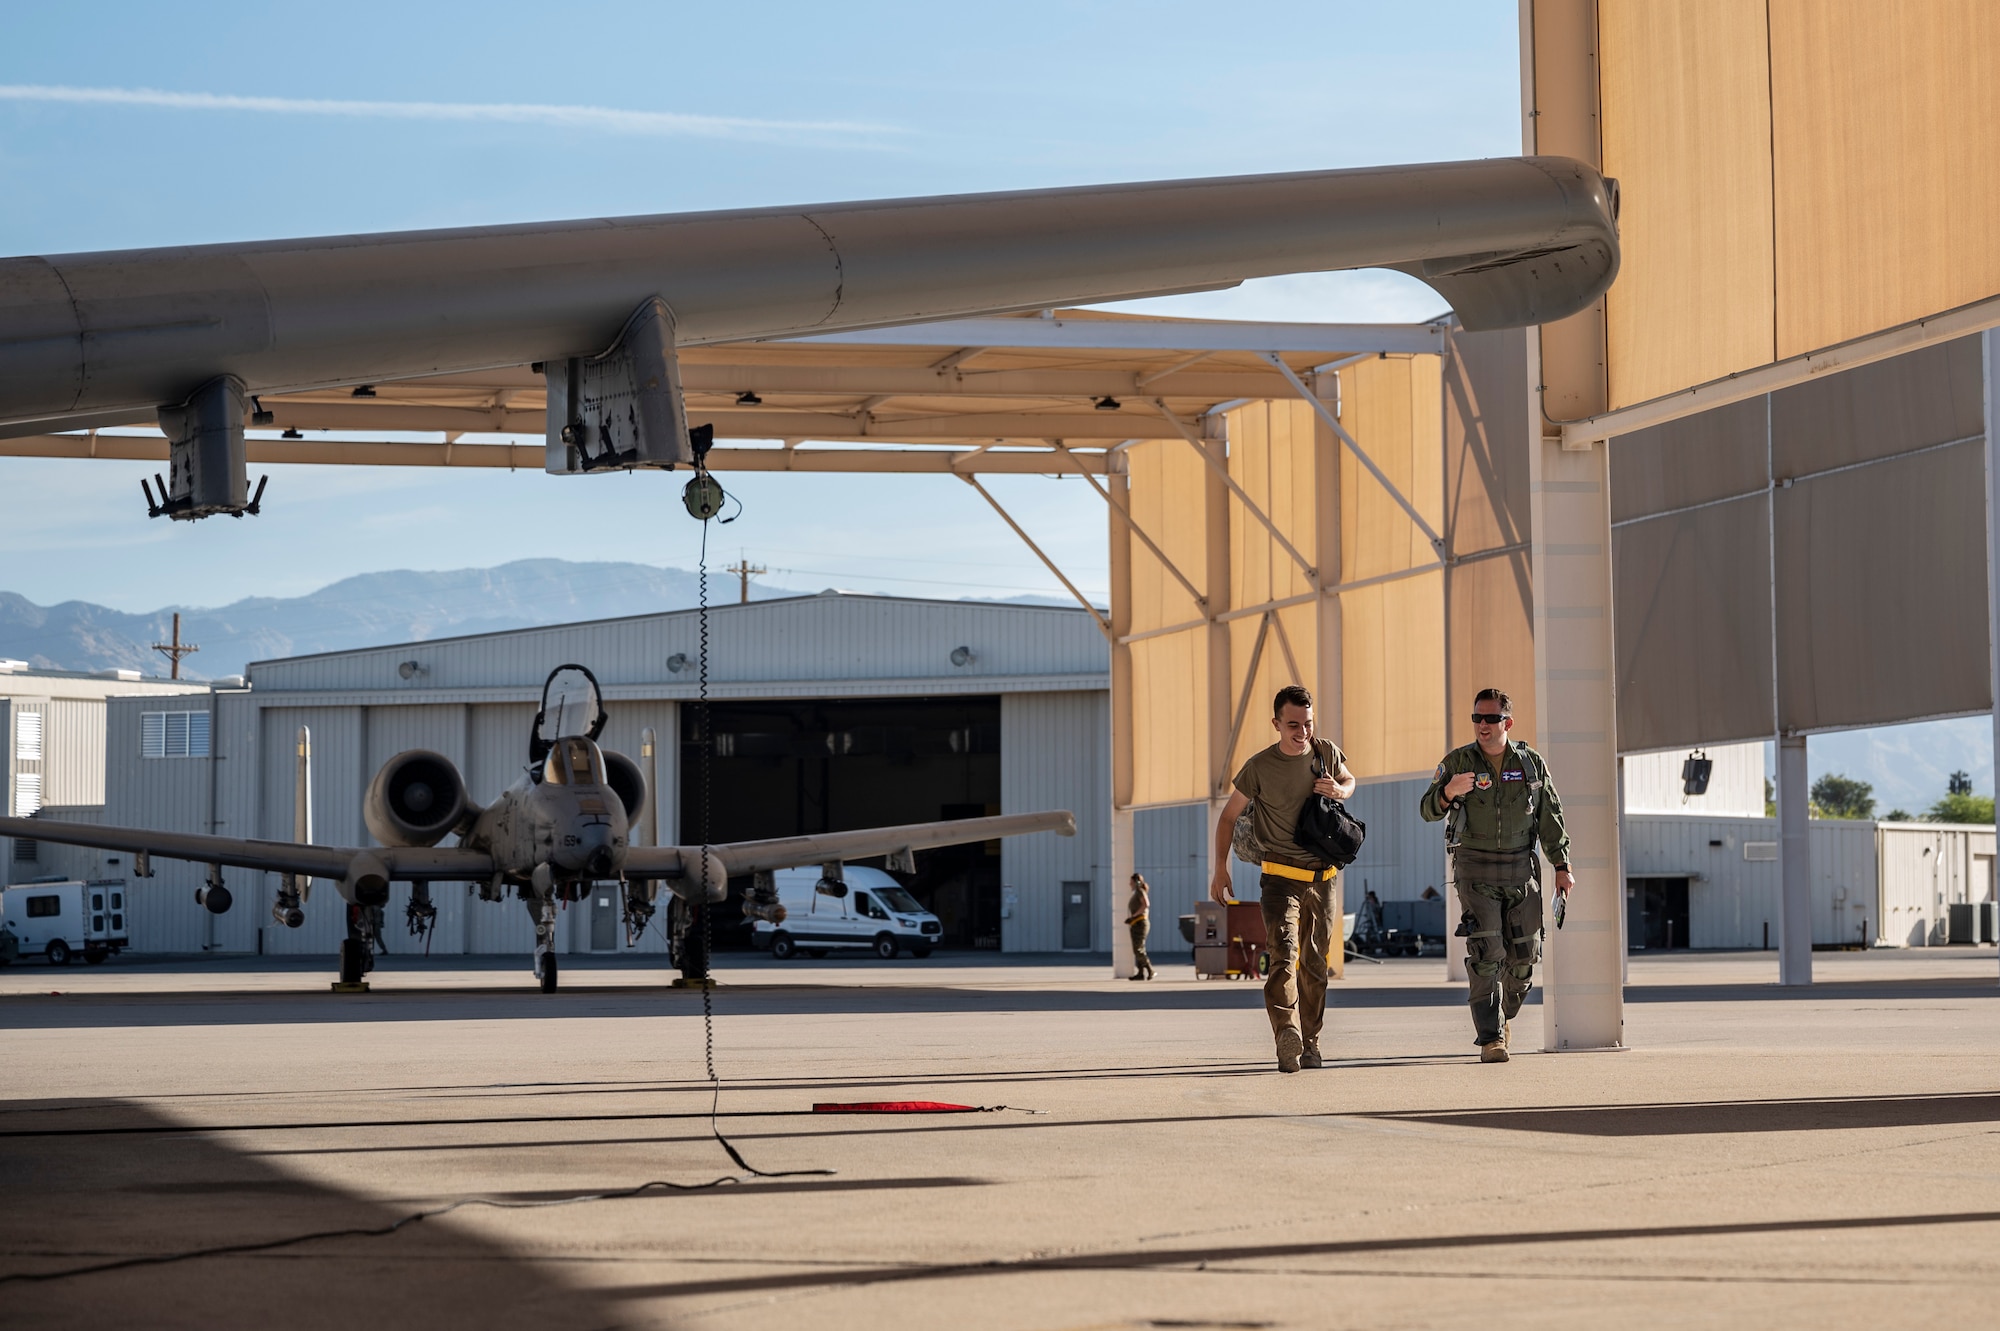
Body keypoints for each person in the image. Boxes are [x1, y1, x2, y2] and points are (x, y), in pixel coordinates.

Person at [1419, 688, 1571, 1063]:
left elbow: (1549, 816)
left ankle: (1503, 1017)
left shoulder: (1531, 764)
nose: (1482, 726)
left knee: (1523, 960)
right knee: (1487, 953)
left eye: (1490, 719)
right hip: (1475, 869)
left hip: (1521, 869)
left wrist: (1562, 867)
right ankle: (1490, 1038)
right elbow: (1426, 810)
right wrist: (1447, 792)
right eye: (1477, 719)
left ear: (1508, 722)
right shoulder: (1458, 762)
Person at [1210, 684, 1357, 1073]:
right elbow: (1228, 817)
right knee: (1283, 957)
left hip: (1323, 878)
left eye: (1307, 723)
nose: (1302, 732)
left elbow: (1350, 779)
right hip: (1279, 878)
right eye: (1293, 724)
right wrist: (1220, 868)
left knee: (1315, 964)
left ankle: (1311, 1042)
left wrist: (1339, 790)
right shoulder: (1259, 767)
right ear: (1276, 723)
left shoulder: (1326, 751)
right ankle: (1286, 1033)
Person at [1125, 873, 1155, 981]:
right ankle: (1140, 973)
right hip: (1136, 923)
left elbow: (1146, 904)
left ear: (1137, 882)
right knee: (1138, 948)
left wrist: (1134, 916)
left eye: (1131, 882)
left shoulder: (1139, 892)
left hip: (1140, 922)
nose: (1130, 884)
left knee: (1138, 949)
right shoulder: (1136, 893)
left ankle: (1150, 970)